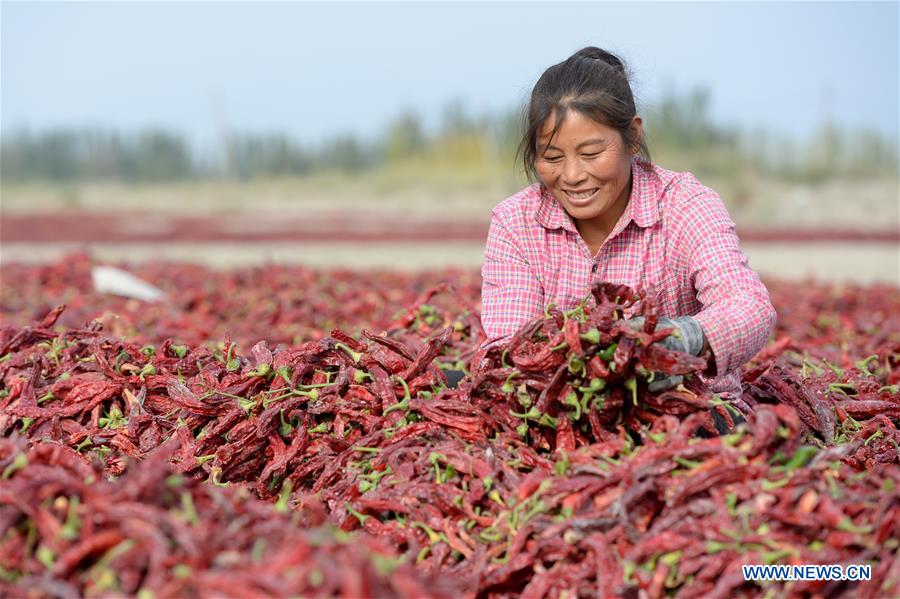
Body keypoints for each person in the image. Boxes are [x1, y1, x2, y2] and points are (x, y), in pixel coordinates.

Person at [479, 47, 776, 415]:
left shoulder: (684, 205)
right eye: (553, 157)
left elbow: (749, 306)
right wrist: (584, 367)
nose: (572, 175)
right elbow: (509, 349)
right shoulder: (516, 222)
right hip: (564, 414)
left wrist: (679, 340)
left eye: (591, 153)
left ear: (632, 136)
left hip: (689, 409)